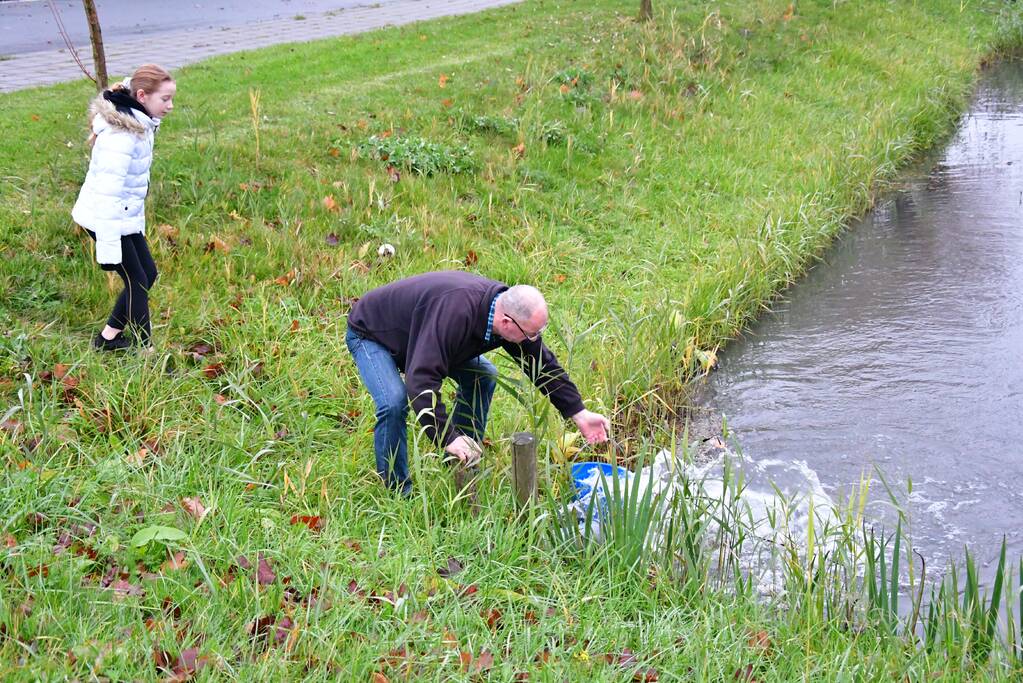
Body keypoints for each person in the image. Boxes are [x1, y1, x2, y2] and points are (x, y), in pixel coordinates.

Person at [345, 270, 610, 495]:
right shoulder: (456, 314)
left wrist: (579, 412)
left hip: (420, 336)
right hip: (373, 334)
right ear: (507, 323)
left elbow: (542, 364)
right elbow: (421, 380)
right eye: (531, 334)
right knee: (393, 402)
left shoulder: (506, 312)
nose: (533, 340)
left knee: (483, 376)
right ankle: (397, 490)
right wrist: (446, 436)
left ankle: (462, 460)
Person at [72, 64, 176, 351]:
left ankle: (108, 338)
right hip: (104, 216)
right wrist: (108, 247)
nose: (170, 106)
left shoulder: (139, 121)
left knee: (147, 273)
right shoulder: (122, 135)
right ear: (142, 96)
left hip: (123, 214)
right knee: (137, 280)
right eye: (165, 99)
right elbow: (108, 193)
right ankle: (145, 350)